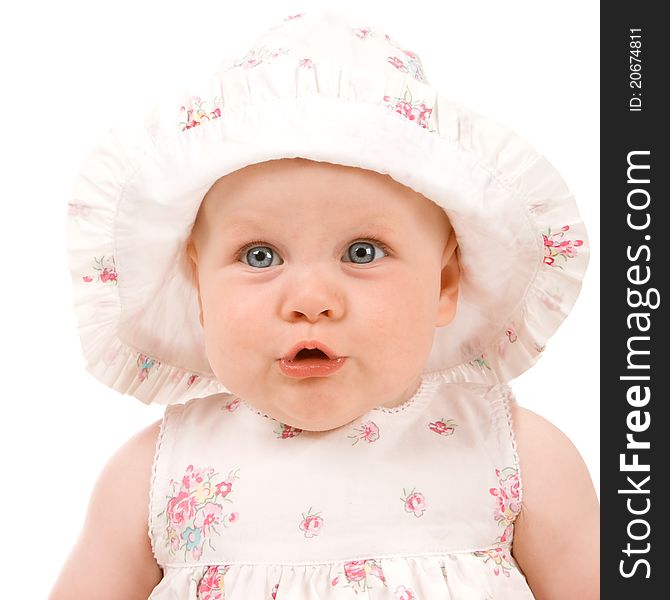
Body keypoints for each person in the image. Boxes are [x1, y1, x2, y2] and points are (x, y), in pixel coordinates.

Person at [51, 8, 599, 600]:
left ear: (444, 283)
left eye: (363, 252)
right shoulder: (149, 481)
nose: (310, 302)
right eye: (259, 256)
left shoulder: (518, 459)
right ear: (200, 288)